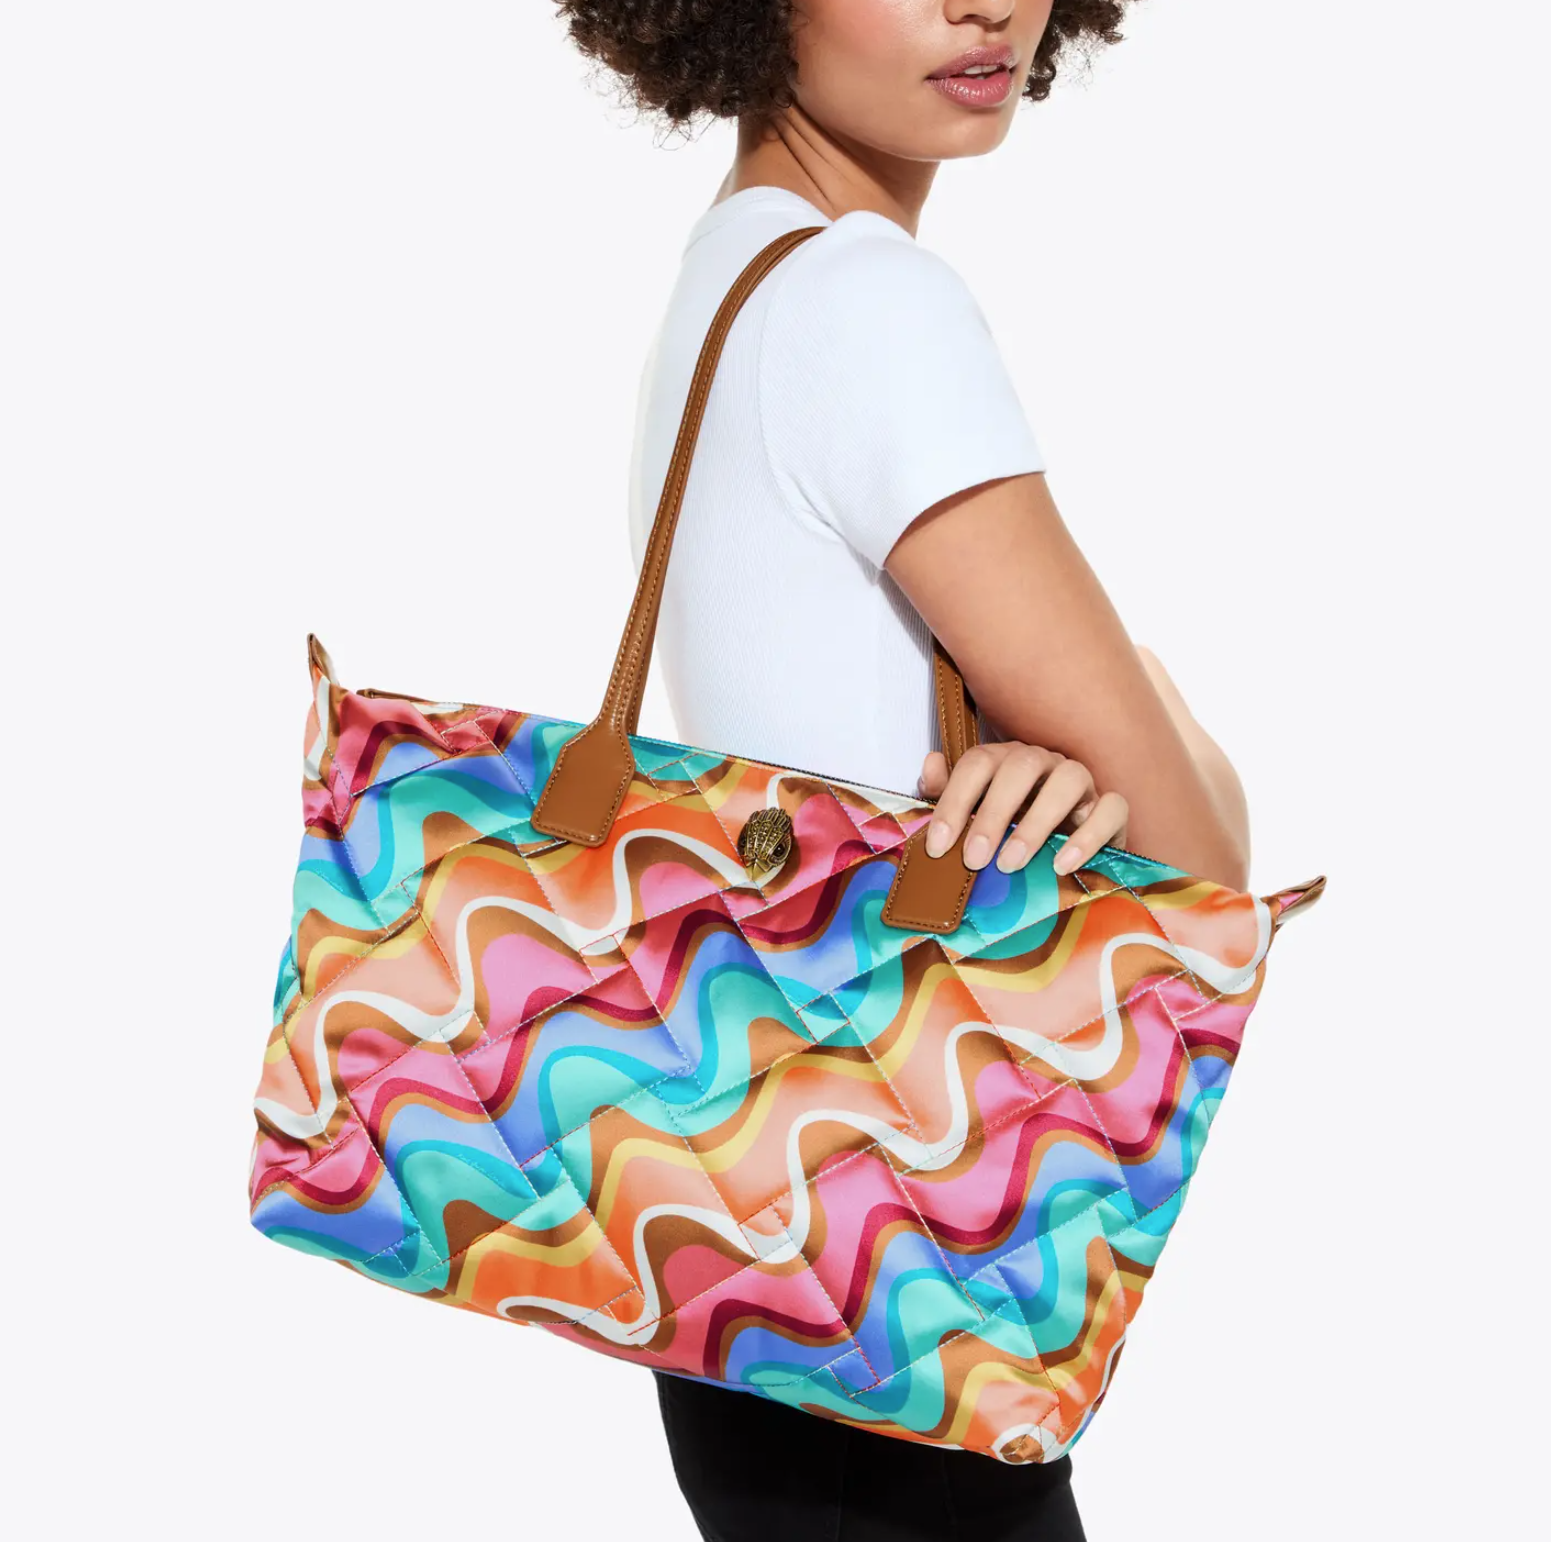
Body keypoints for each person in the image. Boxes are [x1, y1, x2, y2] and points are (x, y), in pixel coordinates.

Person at [559, 3, 1254, 1537]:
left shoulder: (729, 273)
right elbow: (1203, 880)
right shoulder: (863, 298)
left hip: (744, 1251)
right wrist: (1145, 694)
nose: (981, 2)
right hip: (900, 1272)